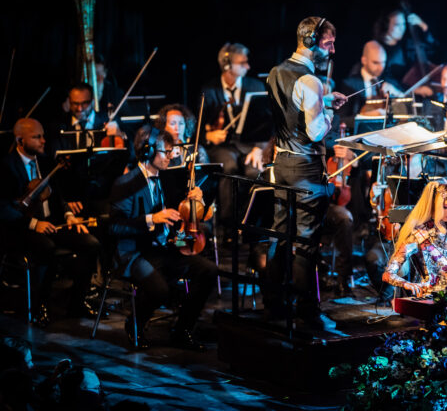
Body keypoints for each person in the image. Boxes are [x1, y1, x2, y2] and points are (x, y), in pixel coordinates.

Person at [262, 16, 347, 329]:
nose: (333, 51)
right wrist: (327, 113)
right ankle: (308, 313)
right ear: (311, 40)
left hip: (281, 164)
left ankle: (273, 303)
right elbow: (314, 132)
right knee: (307, 241)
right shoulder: (311, 79)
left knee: (280, 235)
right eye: (328, 43)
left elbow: (290, 108)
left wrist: (322, 101)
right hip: (305, 166)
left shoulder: (275, 72)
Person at [109, 127, 218, 349]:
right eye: (166, 152)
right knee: (160, 290)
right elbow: (114, 228)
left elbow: (183, 213)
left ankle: (182, 329)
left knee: (209, 270)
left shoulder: (168, 179)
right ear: (148, 152)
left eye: (171, 152)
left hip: (163, 247)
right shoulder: (126, 183)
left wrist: (198, 200)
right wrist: (152, 218)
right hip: (135, 251)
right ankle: (135, 325)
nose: (171, 156)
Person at [0, 118, 100, 324]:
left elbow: (57, 196)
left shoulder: (45, 162)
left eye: (43, 135)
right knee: (46, 247)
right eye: (37, 137)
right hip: (20, 228)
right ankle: (39, 305)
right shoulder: (6, 166)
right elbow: (3, 208)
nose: (44, 141)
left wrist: (69, 216)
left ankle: (77, 303)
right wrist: (34, 224)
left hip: (51, 223)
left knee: (91, 244)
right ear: (20, 140)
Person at [201, 43, 271, 229]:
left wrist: (258, 148)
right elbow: (197, 127)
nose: (248, 67)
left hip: (249, 144)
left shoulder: (255, 86)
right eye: (243, 63)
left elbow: (265, 122)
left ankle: (250, 224)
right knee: (229, 167)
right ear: (227, 65)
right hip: (222, 146)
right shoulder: (209, 91)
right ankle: (229, 225)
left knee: (254, 172)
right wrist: (208, 134)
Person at [382, 179, 447, 296]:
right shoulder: (418, 234)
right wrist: (407, 284)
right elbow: (388, 274)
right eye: (446, 206)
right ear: (434, 205)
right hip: (434, 297)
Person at [338, 40, 404, 126]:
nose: (381, 67)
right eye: (375, 63)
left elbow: (406, 108)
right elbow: (341, 120)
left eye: (383, 62)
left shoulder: (388, 80)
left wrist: (396, 92)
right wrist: (364, 117)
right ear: (364, 60)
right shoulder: (349, 84)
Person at [374, 8, 436, 95]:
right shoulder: (377, 49)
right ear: (386, 25)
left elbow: (431, 49)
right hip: (391, 95)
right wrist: (414, 90)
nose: (402, 29)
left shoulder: (407, 45)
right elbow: (385, 79)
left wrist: (423, 26)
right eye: (397, 25)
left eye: (403, 24)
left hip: (407, 92)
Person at [51, 82, 124, 154]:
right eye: (75, 103)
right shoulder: (60, 126)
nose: (80, 109)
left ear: (93, 101)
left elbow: (130, 153)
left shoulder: (109, 120)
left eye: (84, 103)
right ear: (69, 102)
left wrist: (120, 136)